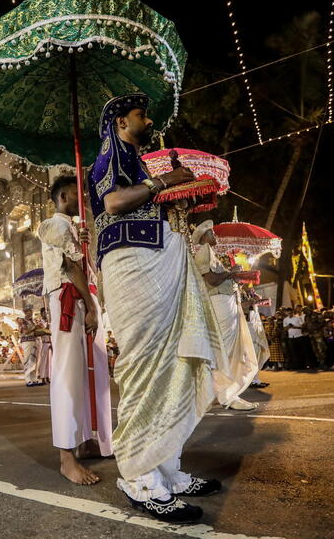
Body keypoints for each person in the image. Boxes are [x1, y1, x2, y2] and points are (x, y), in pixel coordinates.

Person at [88, 94, 223, 523]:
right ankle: (139, 477)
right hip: (130, 262)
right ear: (120, 121)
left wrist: (172, 195)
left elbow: (145, 200)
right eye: (140, 114)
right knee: (145, 364)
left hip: (154, 258)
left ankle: (168, 469)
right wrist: (164, 184)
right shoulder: (109, 158)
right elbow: (112, 203)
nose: (147, 120)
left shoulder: (138, 160)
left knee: (171, 363)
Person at [38, 174, 113, 487]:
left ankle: (87, 439)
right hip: (71, 301)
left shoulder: (69, 228)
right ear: (65, 196)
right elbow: (70, 268)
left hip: (82, 301)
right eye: (78, 195)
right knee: (68, 376)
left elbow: (82, 265)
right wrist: (92, 306)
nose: (82, 201)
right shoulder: (54, 225)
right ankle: (67, 459)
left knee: (89, 375)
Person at [192, 220, 258, 409]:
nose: (216, 236)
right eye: (213, 233)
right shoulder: (204, 251)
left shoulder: (210, 252)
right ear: (205, 236)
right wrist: (231, 273)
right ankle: (227, 395)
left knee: (226, 349)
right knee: (226, 350)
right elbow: (211, 280)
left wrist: (234, 276)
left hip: (225, 301)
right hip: (220, 302)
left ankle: (219, 392)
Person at [17, 304, 41, 387]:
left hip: (33, 341)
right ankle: (28, 380)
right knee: (27, 360)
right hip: (26, 342)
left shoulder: (32, 321)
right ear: (25, 312)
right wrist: (35, 328)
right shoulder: (21, 320)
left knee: (33, 361)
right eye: (28, 311)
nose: (30, 313)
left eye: (31, 311)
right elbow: (25, 332)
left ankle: (34, 379)